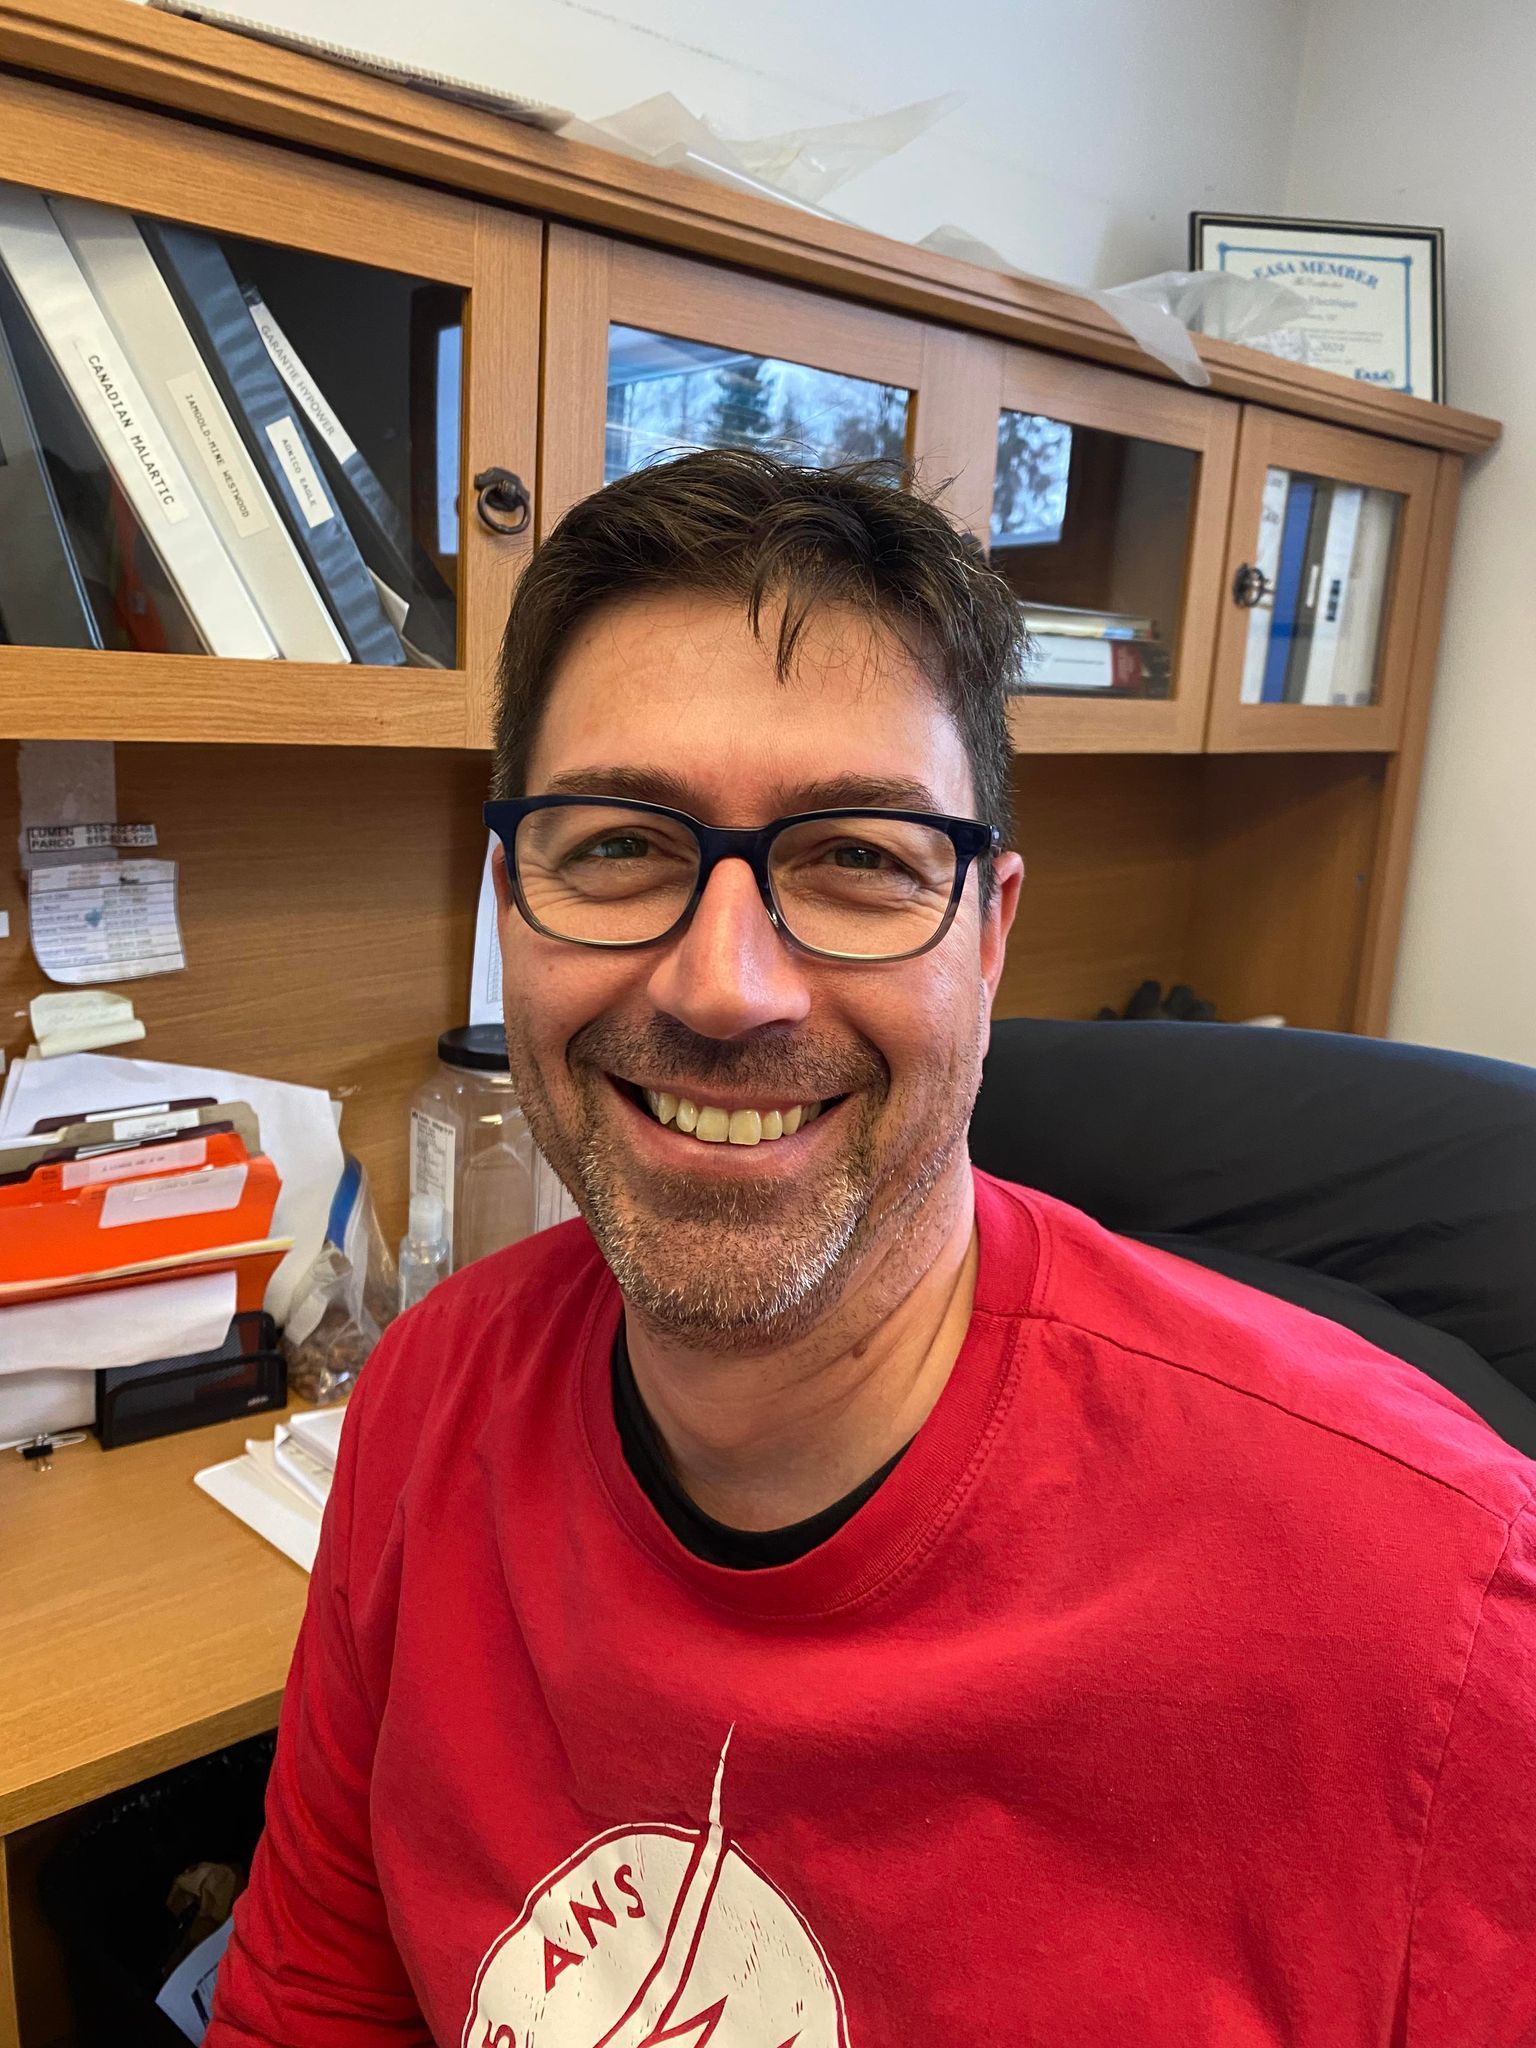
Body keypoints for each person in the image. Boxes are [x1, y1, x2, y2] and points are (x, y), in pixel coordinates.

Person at [209, 451, 1536, 2048]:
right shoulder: (430, 1403)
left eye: (857, 860)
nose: (723, 988)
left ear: (991, 935)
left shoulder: (1440, 1612)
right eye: (619, 844)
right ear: (511, 906)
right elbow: (309, 2009)